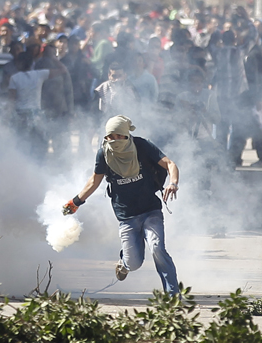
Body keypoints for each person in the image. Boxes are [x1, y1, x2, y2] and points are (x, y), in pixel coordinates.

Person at [62, 115, 181, 297]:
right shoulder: (104, 153)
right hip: (126, 216)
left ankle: (173, 295)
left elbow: (170, 164)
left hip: (150, 210)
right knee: (134, 263)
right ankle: (124, 263)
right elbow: (94, 180)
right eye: (111, 136)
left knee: (157, 248)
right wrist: (75, 202)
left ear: (127, 135)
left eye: (119, 136)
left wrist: (173, 183)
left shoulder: (141, 146)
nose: (115, 140)